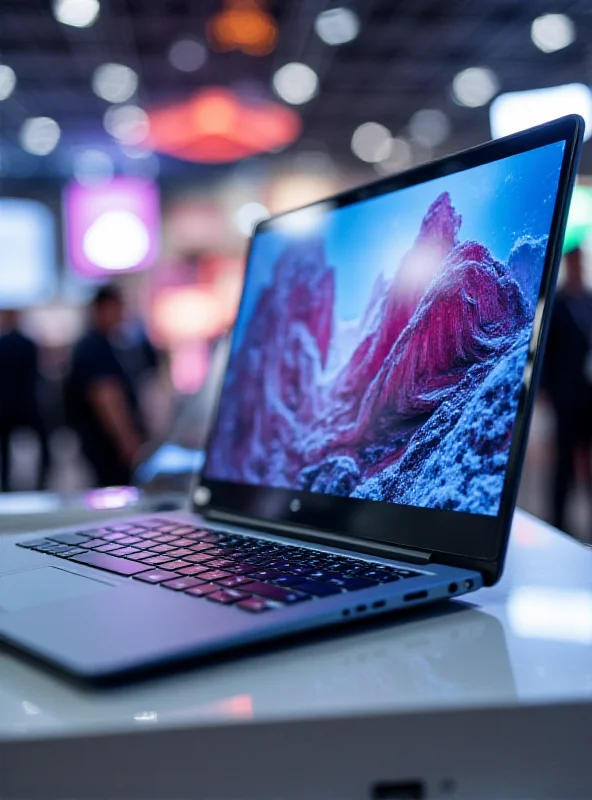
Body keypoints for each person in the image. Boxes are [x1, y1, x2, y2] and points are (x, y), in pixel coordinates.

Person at [66, 285, 146, 487]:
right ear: (103, 308)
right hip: (104, 442)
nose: (122, 315)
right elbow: (106, 396)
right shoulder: (94, 347)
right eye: (118, 308)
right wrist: (126, 439)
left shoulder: (103, 344)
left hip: (101, 440)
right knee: (114, 492)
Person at [543, 247, 592, 533]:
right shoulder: (558, 304)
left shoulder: (588, 300)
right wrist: (547, 390)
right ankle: (558, 523)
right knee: (563, 463)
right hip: (566, 396)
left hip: (589, 396)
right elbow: (547, 353)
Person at [0, 310, 50, 492]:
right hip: (27, 401)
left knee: (5, 449)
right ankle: (42, 479)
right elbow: (38, 372)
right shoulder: (28, 343)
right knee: (42, 442)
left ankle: (6, 484)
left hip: (5, 404)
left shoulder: (2, 344)